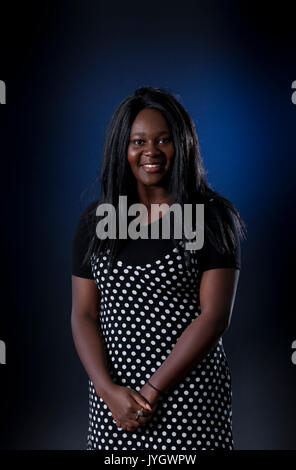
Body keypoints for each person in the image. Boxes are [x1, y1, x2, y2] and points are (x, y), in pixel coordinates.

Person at [71, 86, 247, 450]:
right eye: (138, 141)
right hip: (114, 405)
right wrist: (107, 392)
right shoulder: (96, 221)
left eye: (163, 140)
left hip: (188, 402)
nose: (150, 151)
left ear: (182, 144)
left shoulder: (210, 217)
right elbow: (84, 314)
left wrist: (152, 391)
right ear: (123, 148)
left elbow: (214, 317)